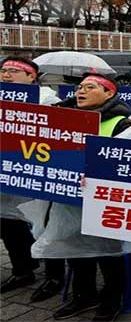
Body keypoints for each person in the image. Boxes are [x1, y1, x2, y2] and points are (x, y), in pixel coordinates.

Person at [31, 73, 131, 321]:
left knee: (108, 256)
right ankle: (83, 297)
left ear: (109, 93)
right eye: (80, 87)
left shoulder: (123, 126)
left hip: (104, 206)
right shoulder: (62, 118)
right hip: (69, 201)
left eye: (90, 87)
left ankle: (111, 301)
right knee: (75, 252)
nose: (81, 91)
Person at [0, 57, 65, 302]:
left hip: (37, 174)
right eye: (4, 70)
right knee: (8, 223)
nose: (7, 75)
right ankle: (23, 269)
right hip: (6, 172)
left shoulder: (49, 100)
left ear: (31, 77)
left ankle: (54, 276)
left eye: (15, 71)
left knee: (45, 225)